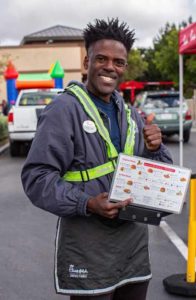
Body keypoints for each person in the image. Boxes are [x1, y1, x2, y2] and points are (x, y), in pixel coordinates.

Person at [21, 18, 173, 300]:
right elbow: (36, 177)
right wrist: (87, 203)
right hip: (88, 245)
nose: (110, 67)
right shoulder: (64, 110)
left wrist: (156, 149)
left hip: (133, 244)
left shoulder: (130, 114)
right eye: (101, 59)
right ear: (86, 62)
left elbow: (158, 178)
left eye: (118, 62)